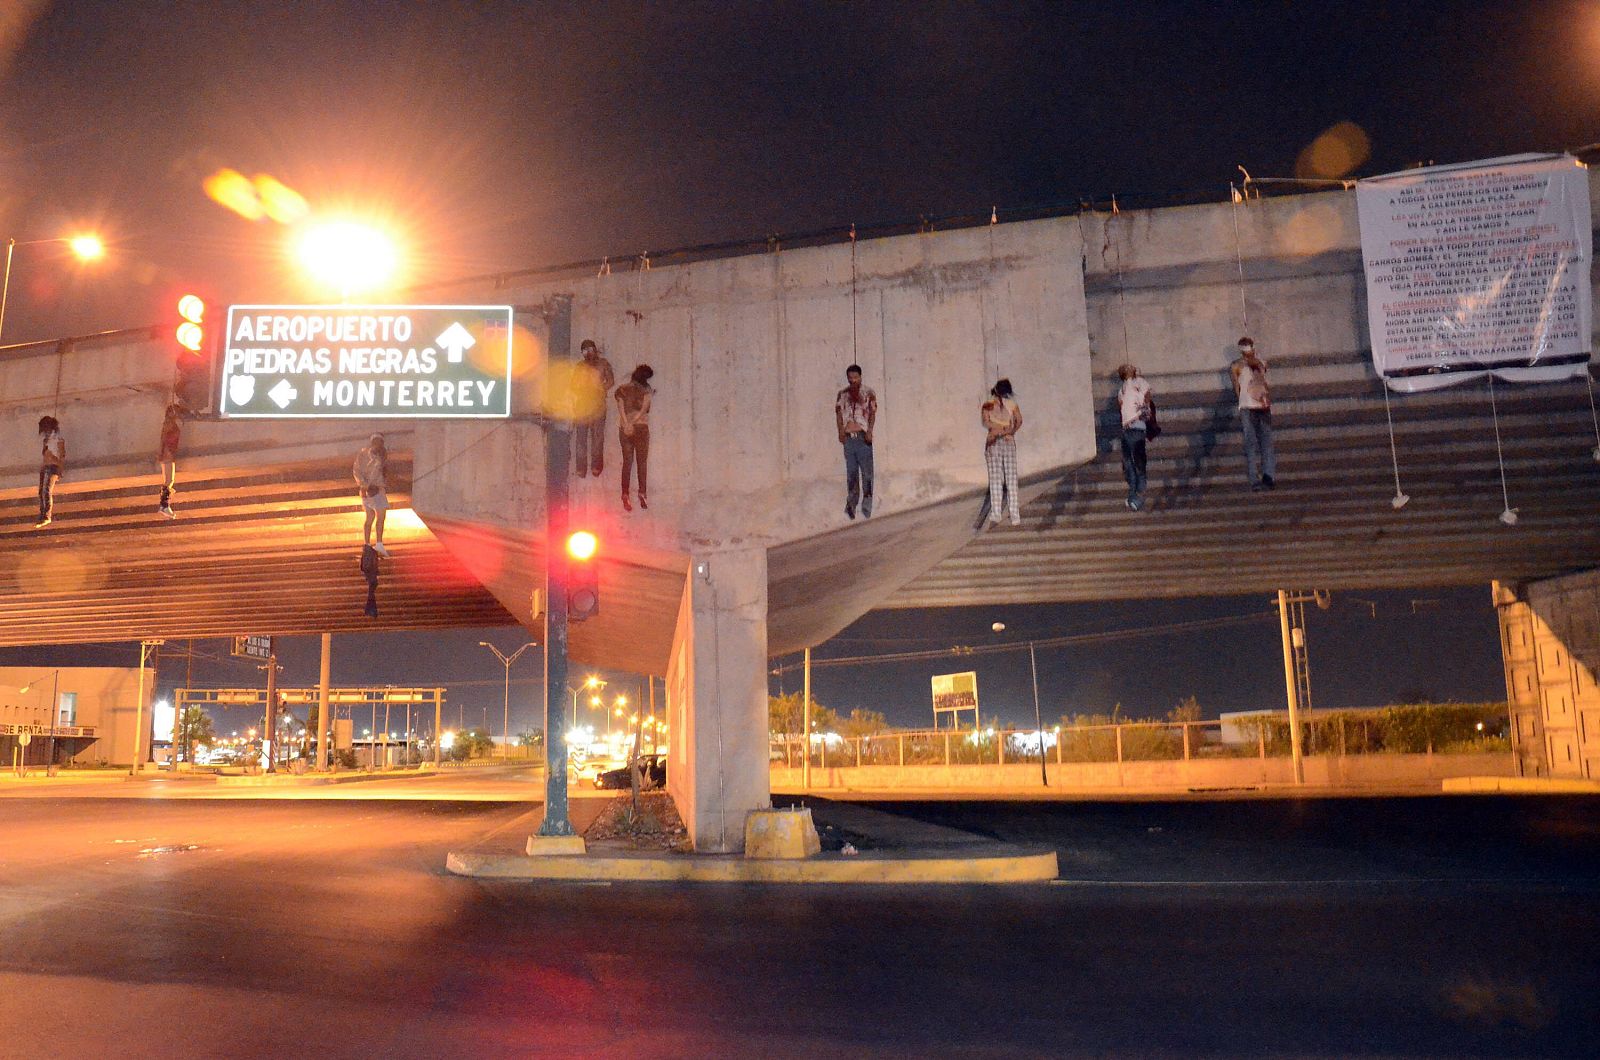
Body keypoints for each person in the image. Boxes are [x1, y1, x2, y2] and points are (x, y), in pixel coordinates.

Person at [1230, 336, 1276, 491]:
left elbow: (1258, 365)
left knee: (1266, 441)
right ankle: (1253, 478)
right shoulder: (1236, 366)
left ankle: (1268, 475)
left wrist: (1248, 358)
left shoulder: (1259, 362)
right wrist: (1241, 401)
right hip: (1247, 407)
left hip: (1262, 405)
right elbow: (1236, 384)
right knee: (1250, 443)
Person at [835, 364, 877, 519]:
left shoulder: (868, 393)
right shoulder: (842, 394)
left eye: (855, 377)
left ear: (860, 377)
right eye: (850, 378)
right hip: (849, 439)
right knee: (851, 474)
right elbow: (839, 415)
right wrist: (841, 432)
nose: (853, 380)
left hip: (862, 437)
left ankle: (867, 507)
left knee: (867, 474)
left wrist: (870, 432)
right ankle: (851, 506)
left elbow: (872, 413)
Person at [981, 378, 1023, 526]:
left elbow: (986, 422)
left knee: (996, 479)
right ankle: (1013, 515)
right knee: (1009, 479)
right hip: (1005, 440)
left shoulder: (988, 404)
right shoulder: (1007, 404)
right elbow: (1019, 421)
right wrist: (1010, 430)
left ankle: (998, 513)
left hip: (995, 441)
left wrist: (1001, 429)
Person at [614, 364, 655, 511]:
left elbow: (620, 408)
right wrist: (633, 422)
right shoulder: (647, 390)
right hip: (641, 427)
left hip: (625, 429)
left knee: (627, 462)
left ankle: (625, 494)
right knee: (641, 462)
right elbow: (644, 409)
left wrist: (626, 423)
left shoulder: (622, 389)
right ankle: (642, 493)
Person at [573, 339, 615, 478]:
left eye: (590, 349)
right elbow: (573, 385)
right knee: (580, 439)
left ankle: (597, 466)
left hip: (598, 406)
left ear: (595, 350)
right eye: (585, 351)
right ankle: (581, 468)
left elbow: (610, 381)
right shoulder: (579, 366)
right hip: (582, 406)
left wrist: (600, 388)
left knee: (597, 438)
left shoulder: (603, 364)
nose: (588, 353)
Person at [1117, 365, 1152, 511]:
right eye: (1126, 368)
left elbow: (1148, 395)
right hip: (1127, 429)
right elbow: (1120, 405)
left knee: (1138, 464)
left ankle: (1139, 498)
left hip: (1137, 427)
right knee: (1128, 464)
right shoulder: (1122, 389)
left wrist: (1144, 406)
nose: (1129, 368)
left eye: (1130, 367)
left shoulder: (1140, 382)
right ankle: (1132, 495)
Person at [352, 433, 390, 557]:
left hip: (367, 491)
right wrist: (367, 486)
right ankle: (378, 544)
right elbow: (361, 471)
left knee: (370, 517)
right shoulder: (375, 455)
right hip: (375, 491)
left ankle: (367, 544)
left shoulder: (367, 454)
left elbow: (357, 471)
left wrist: (363, 487)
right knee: (380, 516)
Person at [35, 416, 65, 529]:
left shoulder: (58, 439)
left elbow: (62, 455)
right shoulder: (47, 440)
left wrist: (59, 467)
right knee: (41, 491)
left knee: (46, 491)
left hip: (53, 466)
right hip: (46, 467)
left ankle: (47, 515)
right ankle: (42, 514)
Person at [157, 401, 182, 519]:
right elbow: (166, 439)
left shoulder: (167, 424)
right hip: (168, 455)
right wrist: (167, 452)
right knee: (169, 480)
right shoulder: (170, 424)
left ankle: (164, 505)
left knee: (168, 480)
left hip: (166, 455)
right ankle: (164, 505)